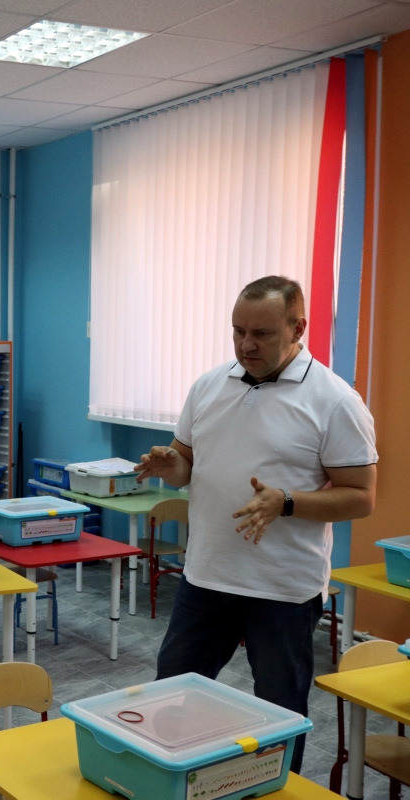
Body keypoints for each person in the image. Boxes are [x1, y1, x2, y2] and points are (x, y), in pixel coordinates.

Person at [135, 275, 377, 773]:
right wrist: (170, 466)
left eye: (262, 333)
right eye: (238, 330)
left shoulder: (335, 400)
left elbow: (361, 497)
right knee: (170, 695)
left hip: (282, 589)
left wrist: (285, 502)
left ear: (297, 328)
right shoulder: (208, 386)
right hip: (207, 576)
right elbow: (186, 465)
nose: (246, 344)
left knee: (279, 714)